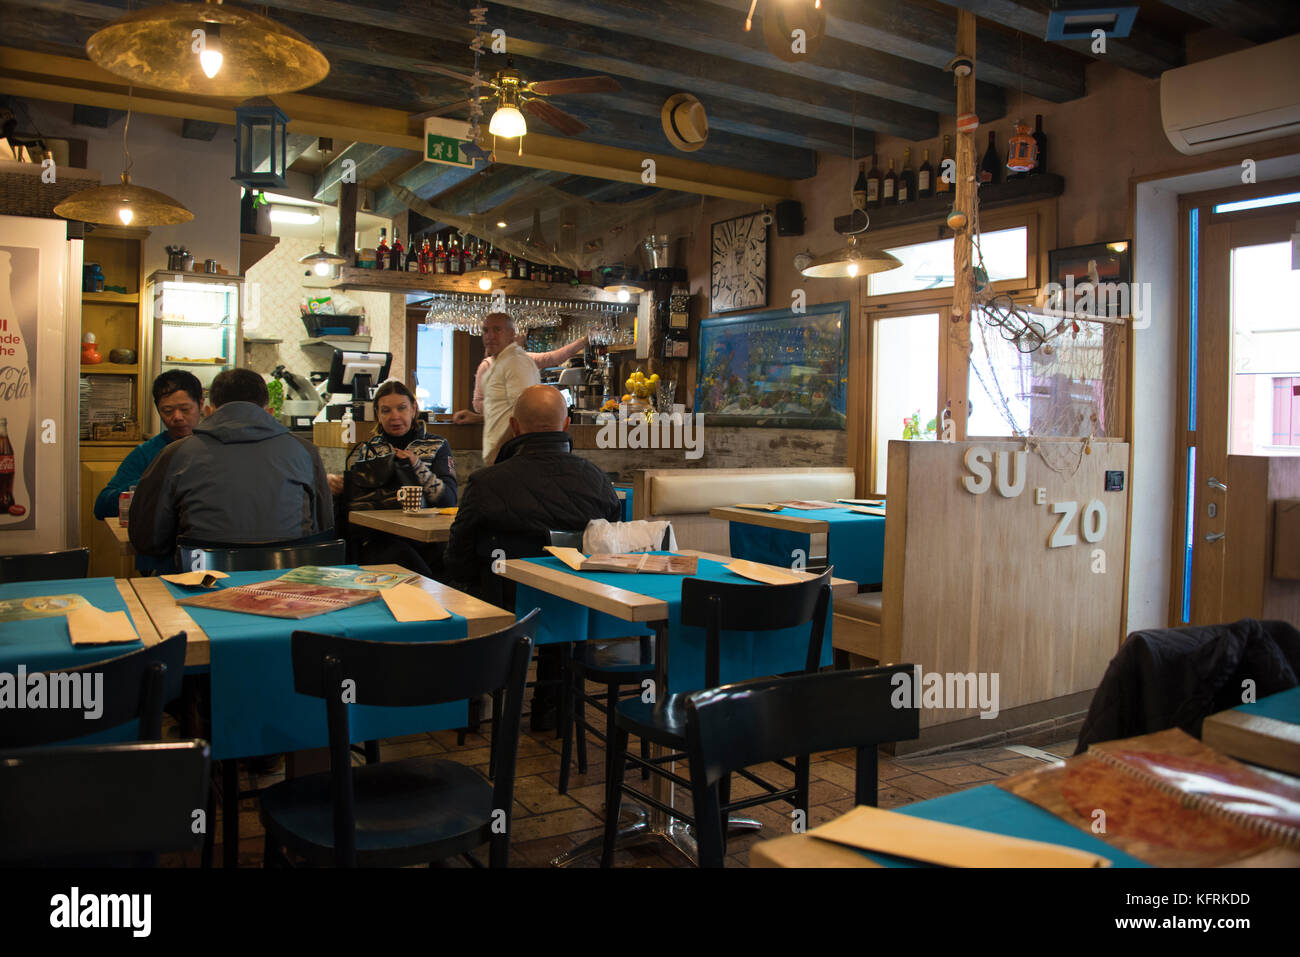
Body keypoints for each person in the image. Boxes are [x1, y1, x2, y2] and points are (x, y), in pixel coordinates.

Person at [444, 385, 621, 729]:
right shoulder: (598, 482)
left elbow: (457, 558)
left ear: (514, 427)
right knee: (560, 597)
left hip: (501, 605)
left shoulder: (486, 482)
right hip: (571, 607)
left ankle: (471, 703)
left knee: (463, 584)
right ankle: (551, 711)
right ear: (566, 425)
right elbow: (607, 549)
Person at [129, 367, 334, 567]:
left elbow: (148, 539)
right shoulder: (305, 451)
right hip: (289, 581)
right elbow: (323, 528)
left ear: (208, 410)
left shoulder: (175, 453)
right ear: (268, 410)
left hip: (201, 582)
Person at [327, 380, 456, 577]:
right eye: (386, 410)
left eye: (401, 408)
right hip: (380, 536)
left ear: (413, 409)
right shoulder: (369, 448)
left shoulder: (437, 444)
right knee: (391, 552)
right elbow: (360, 498)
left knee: (406, 557)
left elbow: (449, 499)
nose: (394, 416)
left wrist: (417, 466)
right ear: (377, 414)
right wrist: (339, 486)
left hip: (423, 538)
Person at [93, 370, 205, 574]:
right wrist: (149, 483)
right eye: (168, 410)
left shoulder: (216, 447)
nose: (177, 417)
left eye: (185, 409)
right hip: (160, 563)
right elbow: (102, 506)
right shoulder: (147, 453)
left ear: (201, 403)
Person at [451, 312, 540, 465]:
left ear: (511, 334)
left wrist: (499, 450)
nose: (490, 336)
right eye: (486, 330)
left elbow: (523, 412)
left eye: (497, 330)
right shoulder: (501, 361)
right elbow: (507, 410)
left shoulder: (516, 362)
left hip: (511, 456)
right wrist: (477, 417)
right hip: (504, 457)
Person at [452, 332, 587, 424]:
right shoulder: (488, 365)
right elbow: (478, 403)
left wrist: (584, 340)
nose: (520, 339)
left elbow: (554, 357)